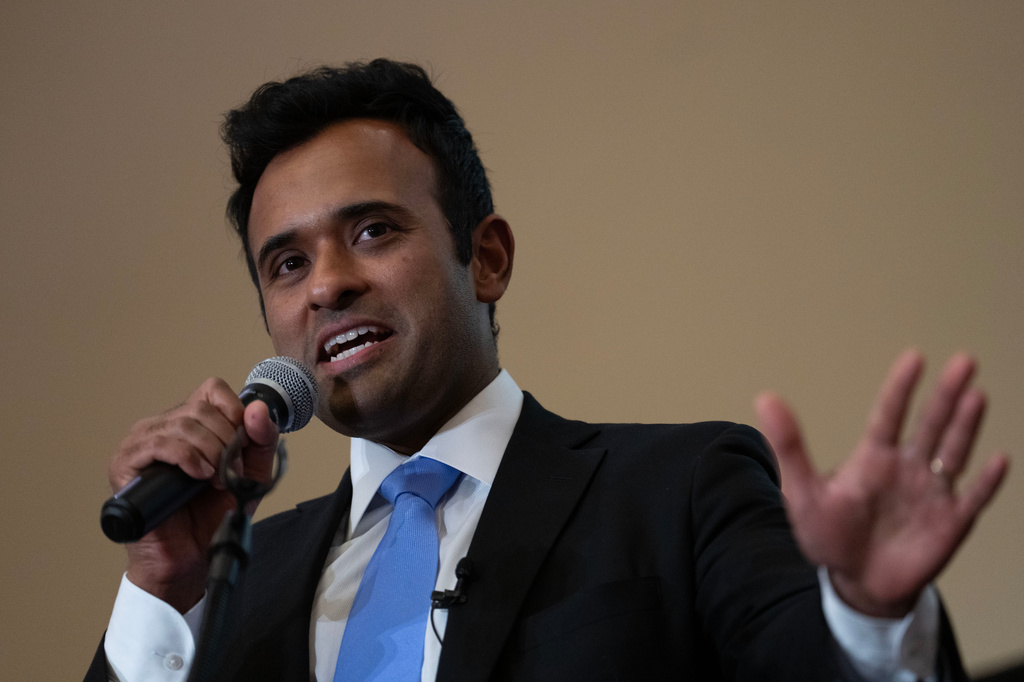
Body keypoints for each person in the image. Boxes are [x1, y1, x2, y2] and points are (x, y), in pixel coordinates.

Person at [86, 59, 1009, 681]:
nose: (327, 284)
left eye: (372, 230)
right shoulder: (233, 582)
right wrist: (160, 586)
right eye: (287, 264)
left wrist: (870, 614)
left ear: (485, 258)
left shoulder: (682, 489)